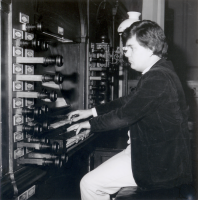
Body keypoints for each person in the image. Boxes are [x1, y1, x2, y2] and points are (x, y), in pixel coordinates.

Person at [66, 20, 192, 200]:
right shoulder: (160, 70)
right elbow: (129, 101)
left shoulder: (158, 77)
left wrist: (89, 124)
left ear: (150, 48)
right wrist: (92, 111)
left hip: (157, 163)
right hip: (147, 151)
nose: (127, 54)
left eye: (131, 48)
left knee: (89, 184)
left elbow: (124, 115)